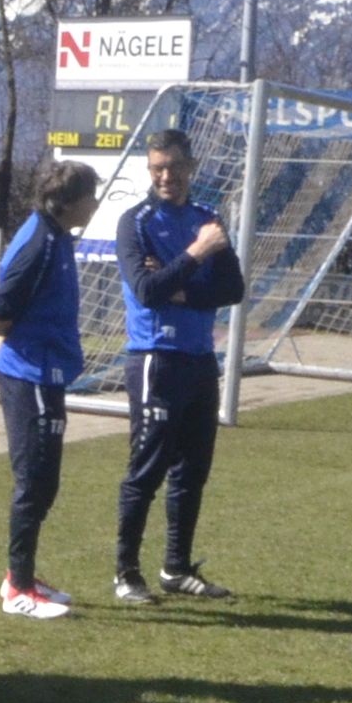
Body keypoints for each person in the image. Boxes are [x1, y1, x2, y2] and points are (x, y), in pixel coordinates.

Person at [108, 126, 247, 605]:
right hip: (156, 359)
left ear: (191, 167)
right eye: (157, 169)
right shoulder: (136, 222)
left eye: (173, 168)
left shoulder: (208, 219)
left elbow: (233, 290)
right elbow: (147, 291)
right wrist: (196, 253)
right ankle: (126, 573)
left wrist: (181, 287)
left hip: (200, 360)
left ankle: (176, 568)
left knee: (192, 471)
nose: (166, 177)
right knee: (146, 470)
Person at [0, 158, 103, 619]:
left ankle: (21, 576)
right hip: (29, 374)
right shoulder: (38, 243)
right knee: (32, 480)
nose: (95, 204)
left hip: (47, 373)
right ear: (66, 201)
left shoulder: (57, 237)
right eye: (89, 196)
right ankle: (18, 589)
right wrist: (2, 347)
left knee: (45, 482)